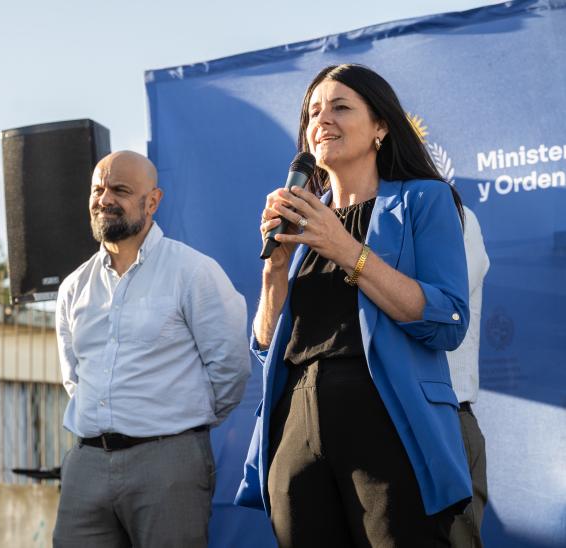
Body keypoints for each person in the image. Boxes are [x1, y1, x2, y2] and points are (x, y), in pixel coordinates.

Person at [234, 64, 472, 546]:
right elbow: (265, 345)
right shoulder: (302, 223)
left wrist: (344, 248)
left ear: (380, 126)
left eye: (341, 107)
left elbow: (446, 318)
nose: (323, 119)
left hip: (386, 416)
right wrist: (275, 269)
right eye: (313, 112)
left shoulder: (423, 200)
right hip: (297, 418)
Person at [53, 150, 251, 548]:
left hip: (169, 463)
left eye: (120, 190)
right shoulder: (73, 287)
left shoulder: (193, 272)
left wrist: (180, 426)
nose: (104, 199)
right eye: (98, 189)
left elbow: (231, 369)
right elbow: (73, 377)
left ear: (153, 201)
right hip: (85, 466)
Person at [448, 205, 490, 548]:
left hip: (444, 418)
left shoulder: (454, 217)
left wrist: (356, 260)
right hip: (366, 421)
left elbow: (439, 310)